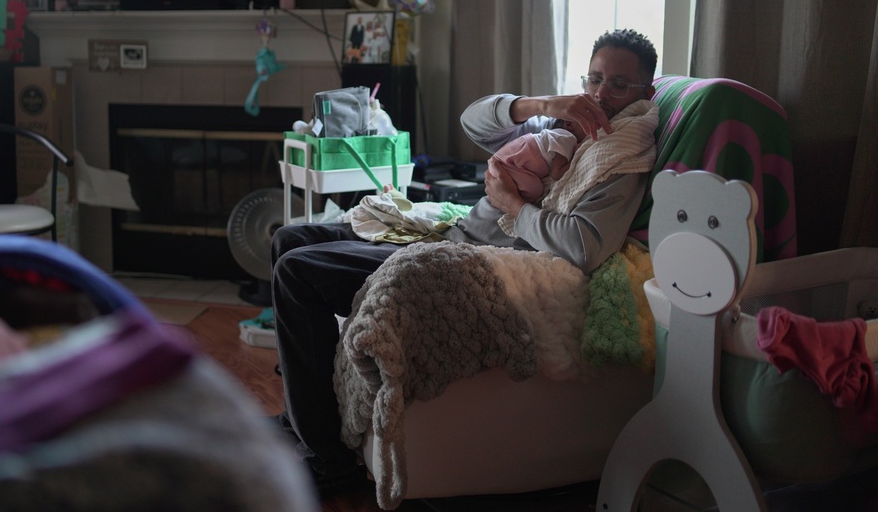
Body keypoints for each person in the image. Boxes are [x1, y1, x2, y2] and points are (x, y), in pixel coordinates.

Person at [269, 28, 659, 496]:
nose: (599, 95)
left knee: (296, 274)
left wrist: (514, 206)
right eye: (593, 79)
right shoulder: (562, 128)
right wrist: (543, 106)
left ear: (645, 94)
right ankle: (302, 419)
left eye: (618, 85)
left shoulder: (621, 156)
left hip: (465, 258)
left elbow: (585, 247)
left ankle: (329, 463)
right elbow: (473, 122)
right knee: (289, 238)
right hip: (453, 231)